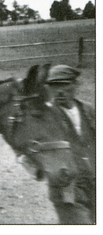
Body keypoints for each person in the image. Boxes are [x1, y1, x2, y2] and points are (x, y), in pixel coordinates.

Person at [44, 64, 96, 224]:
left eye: (64, 84)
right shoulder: (45, 117)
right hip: (67, 189)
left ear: (75, 85)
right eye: (54, 86)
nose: (59, 91)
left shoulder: (89, 110)